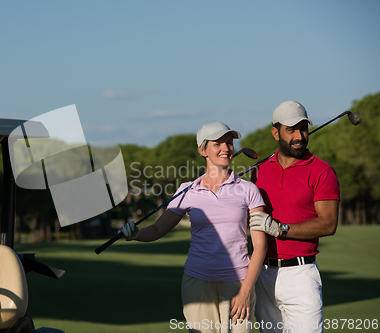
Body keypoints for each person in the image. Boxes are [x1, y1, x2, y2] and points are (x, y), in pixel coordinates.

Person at [120, 121, 267, 333]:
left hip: (238, 282)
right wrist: (135, 234)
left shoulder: (248, 190)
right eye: (218, 143)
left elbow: (260, 246)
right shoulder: (186, 191)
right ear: (202, 150)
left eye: (229, 142)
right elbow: (157, 230)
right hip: (197, 283)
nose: (226, 148)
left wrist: (246, 291)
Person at [249, 101, 340, 333]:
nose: (299, 136)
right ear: (275, 133)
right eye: (291, 130)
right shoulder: (258, 171)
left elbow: (328, 223)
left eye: (303, 128)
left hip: (300, 277)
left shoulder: (321, 170)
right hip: (263, 275)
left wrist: (280, 229)